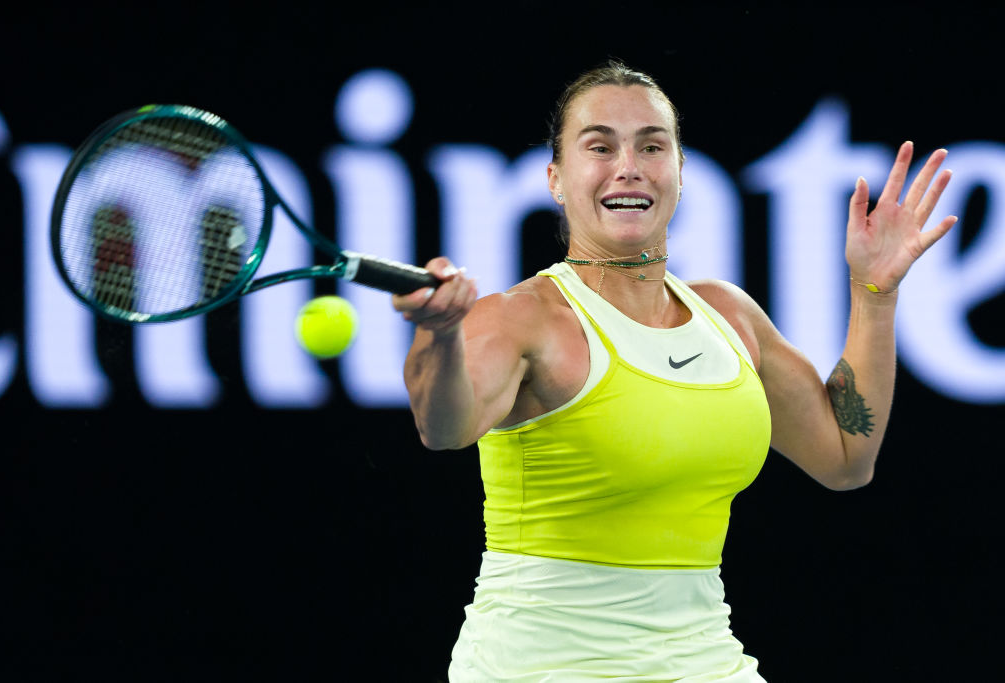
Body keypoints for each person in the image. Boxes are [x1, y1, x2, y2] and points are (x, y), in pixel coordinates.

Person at [393, 61, 956, 681]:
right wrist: (439, 336)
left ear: (681, 175)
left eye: (652, 146)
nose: (628, 165)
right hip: (539, 667)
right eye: (600, 146)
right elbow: (445, 427)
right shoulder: (522, 318)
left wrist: (873, 292)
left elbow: (847, 457)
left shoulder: (729, 315)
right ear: (556, 179)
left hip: (704, 661)